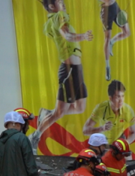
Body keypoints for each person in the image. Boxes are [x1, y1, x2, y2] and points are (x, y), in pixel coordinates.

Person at [31, 0, 93, 149]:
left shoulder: (49, 23)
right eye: (59, 1)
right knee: (59, 113)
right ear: (52, 6)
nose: (63, 3)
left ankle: (47, 113)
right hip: (69, 69)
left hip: (77, 69)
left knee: (80, 107)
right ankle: (35, 136)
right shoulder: (60, 16)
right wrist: (83, 36)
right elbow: (67, 36)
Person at [98, 0, 131, 81]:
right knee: (107, 37)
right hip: (106, 11)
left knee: (127, 32)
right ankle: (107, 67)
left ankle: (112, 42)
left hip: (115, 7)